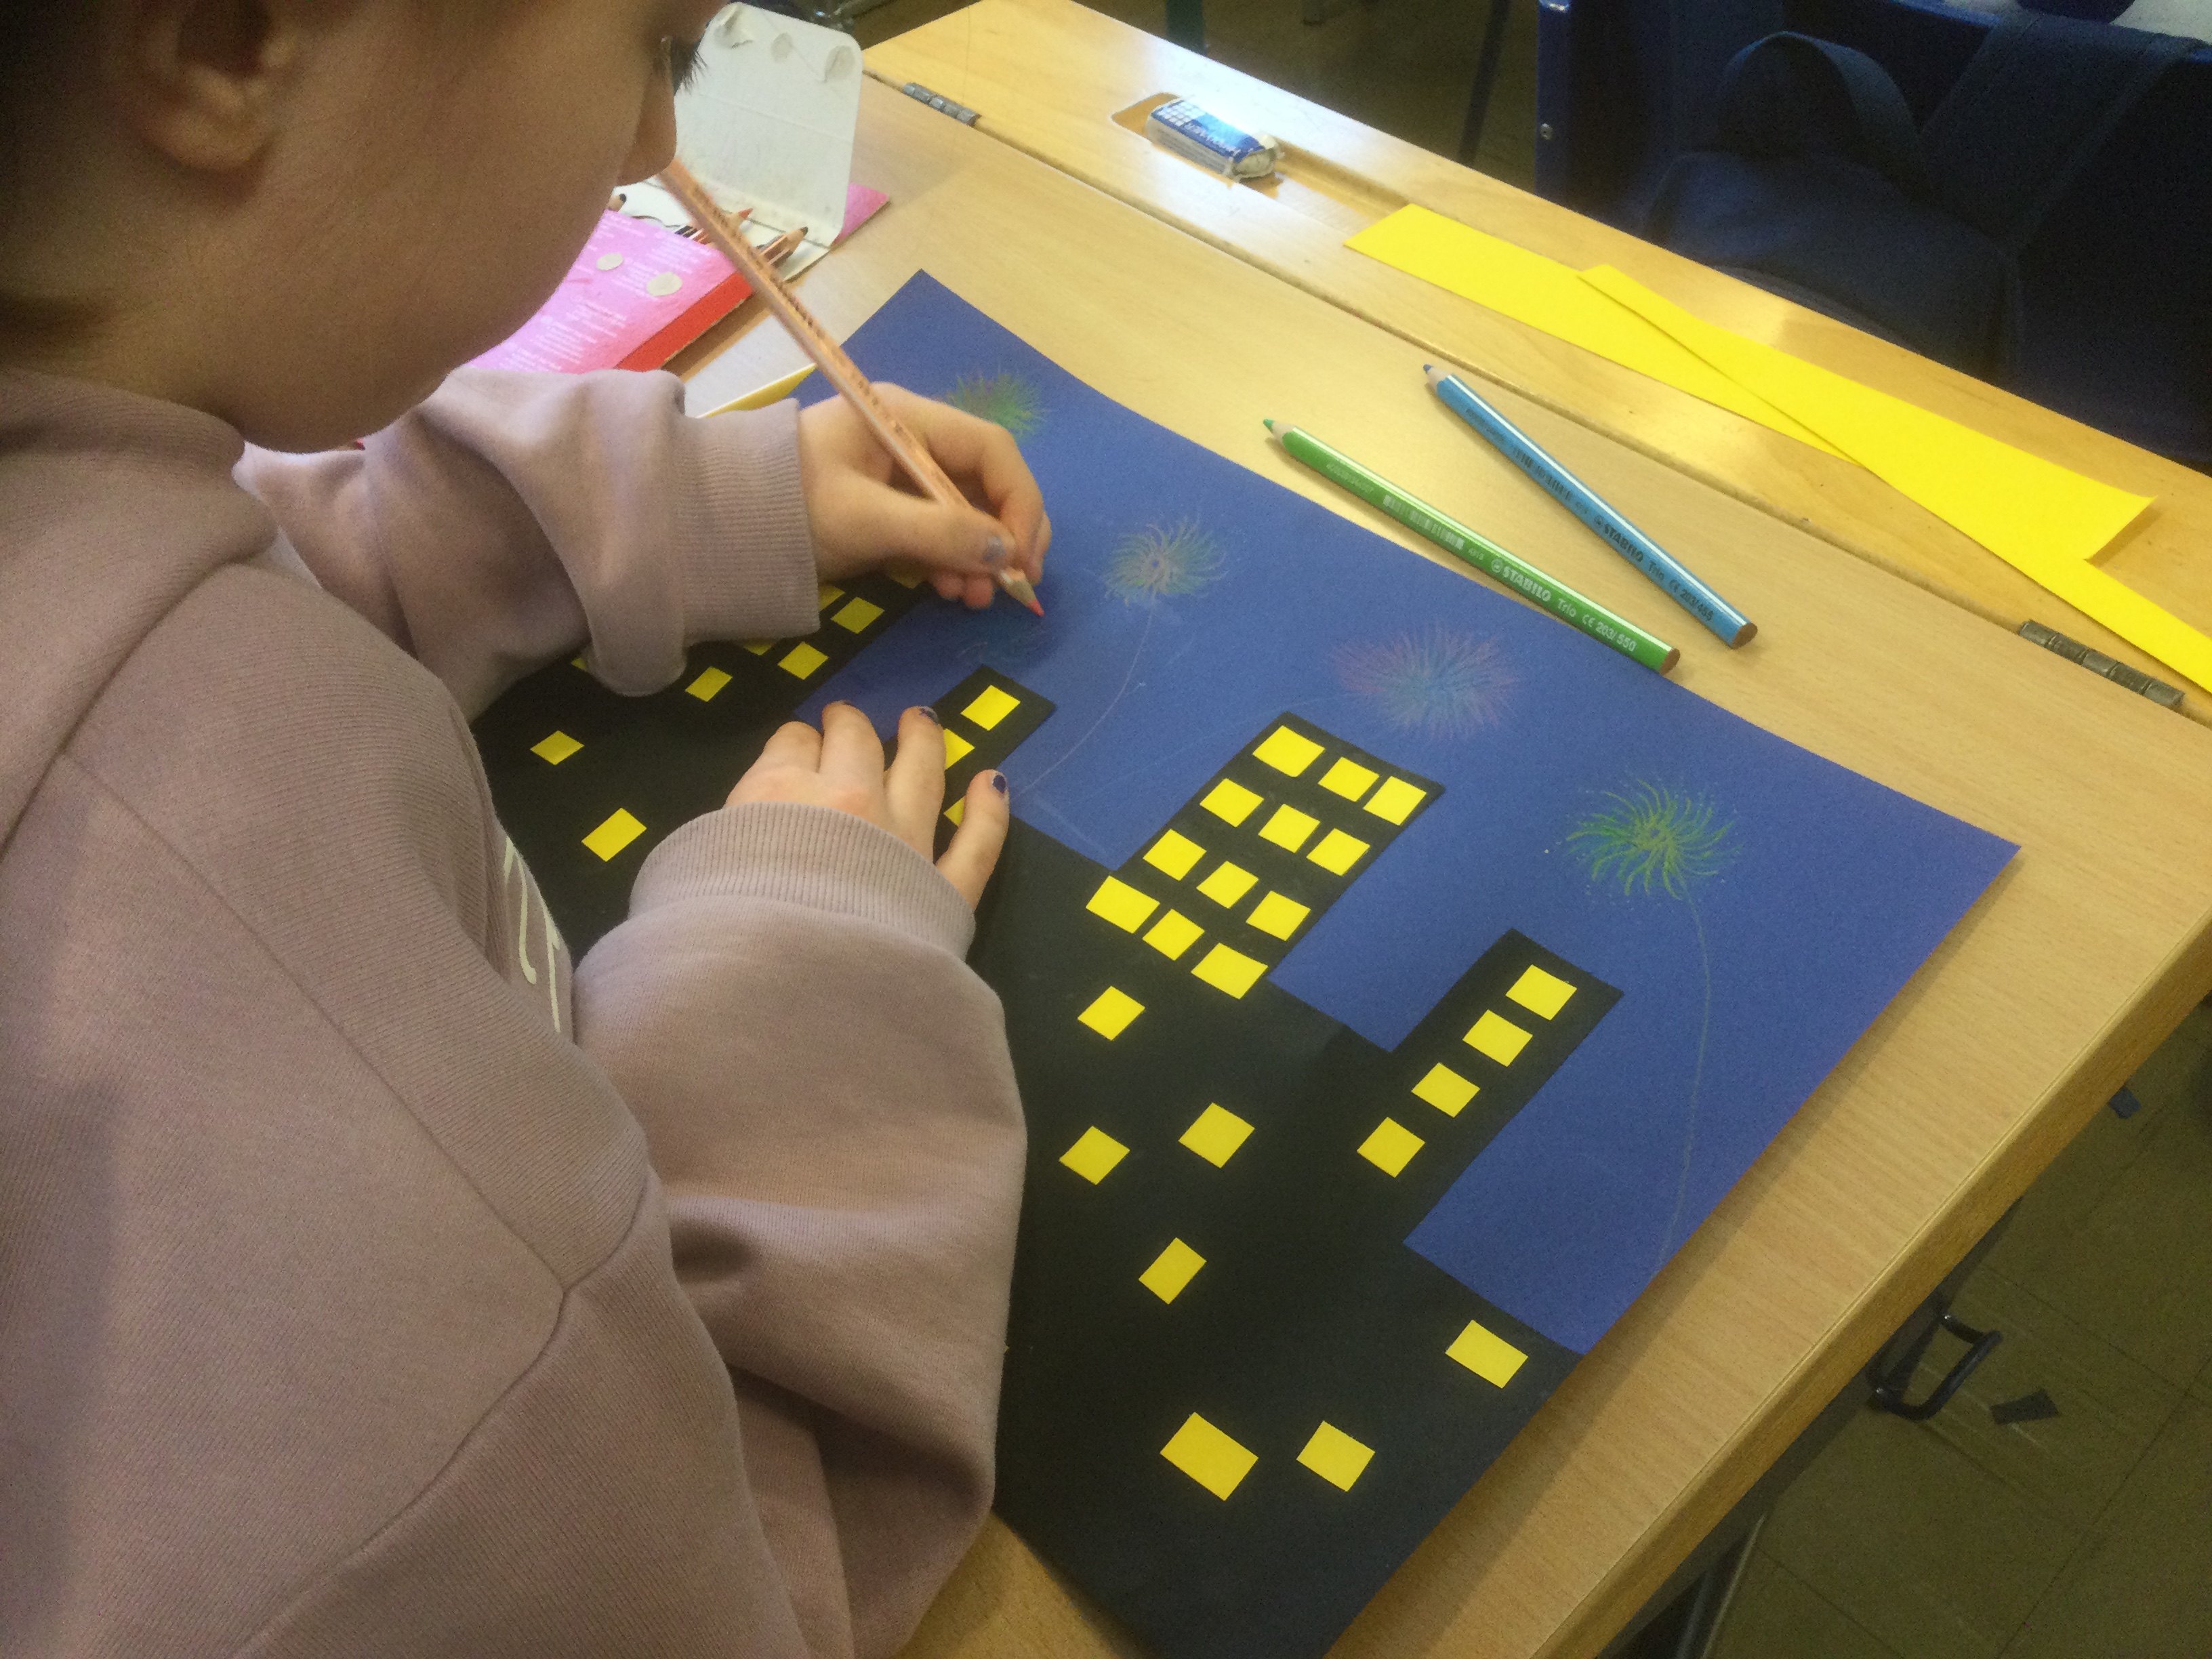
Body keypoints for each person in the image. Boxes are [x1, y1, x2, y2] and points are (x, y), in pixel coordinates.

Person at [0, 0, 1048, 1653]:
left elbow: (147, 541)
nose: (656, 148)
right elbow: (662, 1578)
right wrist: (805, 987)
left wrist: (677, 506)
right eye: (661, 48)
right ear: (225, 41)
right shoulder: (204, 939)